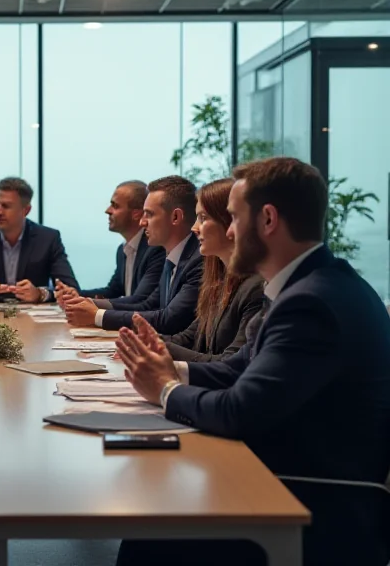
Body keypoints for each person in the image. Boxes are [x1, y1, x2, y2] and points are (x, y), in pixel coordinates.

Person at [115, 158, 390, 566]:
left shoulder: (310, 304)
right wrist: (170, 370)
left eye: (233, 218)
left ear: (267, 219)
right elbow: (239, 367)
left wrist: (166, 390)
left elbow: (239, 410)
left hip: (317, 504)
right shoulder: (308, 286)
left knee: (149, 531)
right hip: (291, 476)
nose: (227, 231)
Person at [64, 176, 201, 335]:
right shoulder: (172, 256)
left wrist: (98, 315)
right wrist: (89, 304)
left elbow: (169, 319)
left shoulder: (197, 260)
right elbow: (149, 305)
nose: (143, 222)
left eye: (149, 214)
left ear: (175, 217)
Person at [163, 178, 264, 362]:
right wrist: (144, 342)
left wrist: (162, 348)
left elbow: (230, 364)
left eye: (203, 218)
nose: (194, 228)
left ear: (230, 221)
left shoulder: (256, 288)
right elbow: (190, 338)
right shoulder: (219, 280)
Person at [54, 180, 164, 308]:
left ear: (136, 214)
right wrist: (75, 296)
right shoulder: (122, 249)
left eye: (115, 206)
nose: (107, 210)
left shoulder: (155, 249)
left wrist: (86, 303)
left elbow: (140, 300)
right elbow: (112, 292)